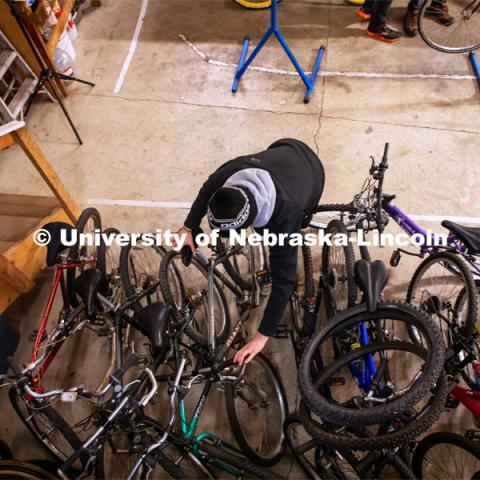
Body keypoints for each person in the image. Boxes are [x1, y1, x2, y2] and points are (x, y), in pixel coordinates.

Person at [177, 139, 325, 365]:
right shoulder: (230, 173)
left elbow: (284, 280)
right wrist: (188, 227)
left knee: (295, 232)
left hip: (313, 173)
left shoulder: (285, 215)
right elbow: (208, 188)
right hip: (283, 148)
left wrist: (261, 337)